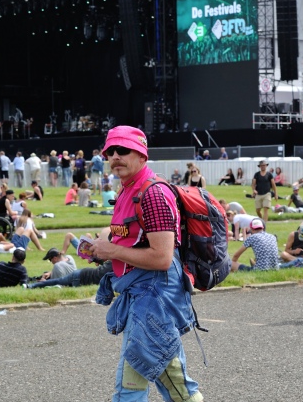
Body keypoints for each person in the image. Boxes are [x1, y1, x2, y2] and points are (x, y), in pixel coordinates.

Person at [90, 126, 203, 402]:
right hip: (143, 295)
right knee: (173, 380)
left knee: (131, 385)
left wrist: (111, 249)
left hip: (154, 297)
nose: (115, 156)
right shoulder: (129, 188)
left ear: (141, 154)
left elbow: (162, 258)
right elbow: (124, 235)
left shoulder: (153, 194)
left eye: (123, 150)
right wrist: (101, 246)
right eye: (110, 151)